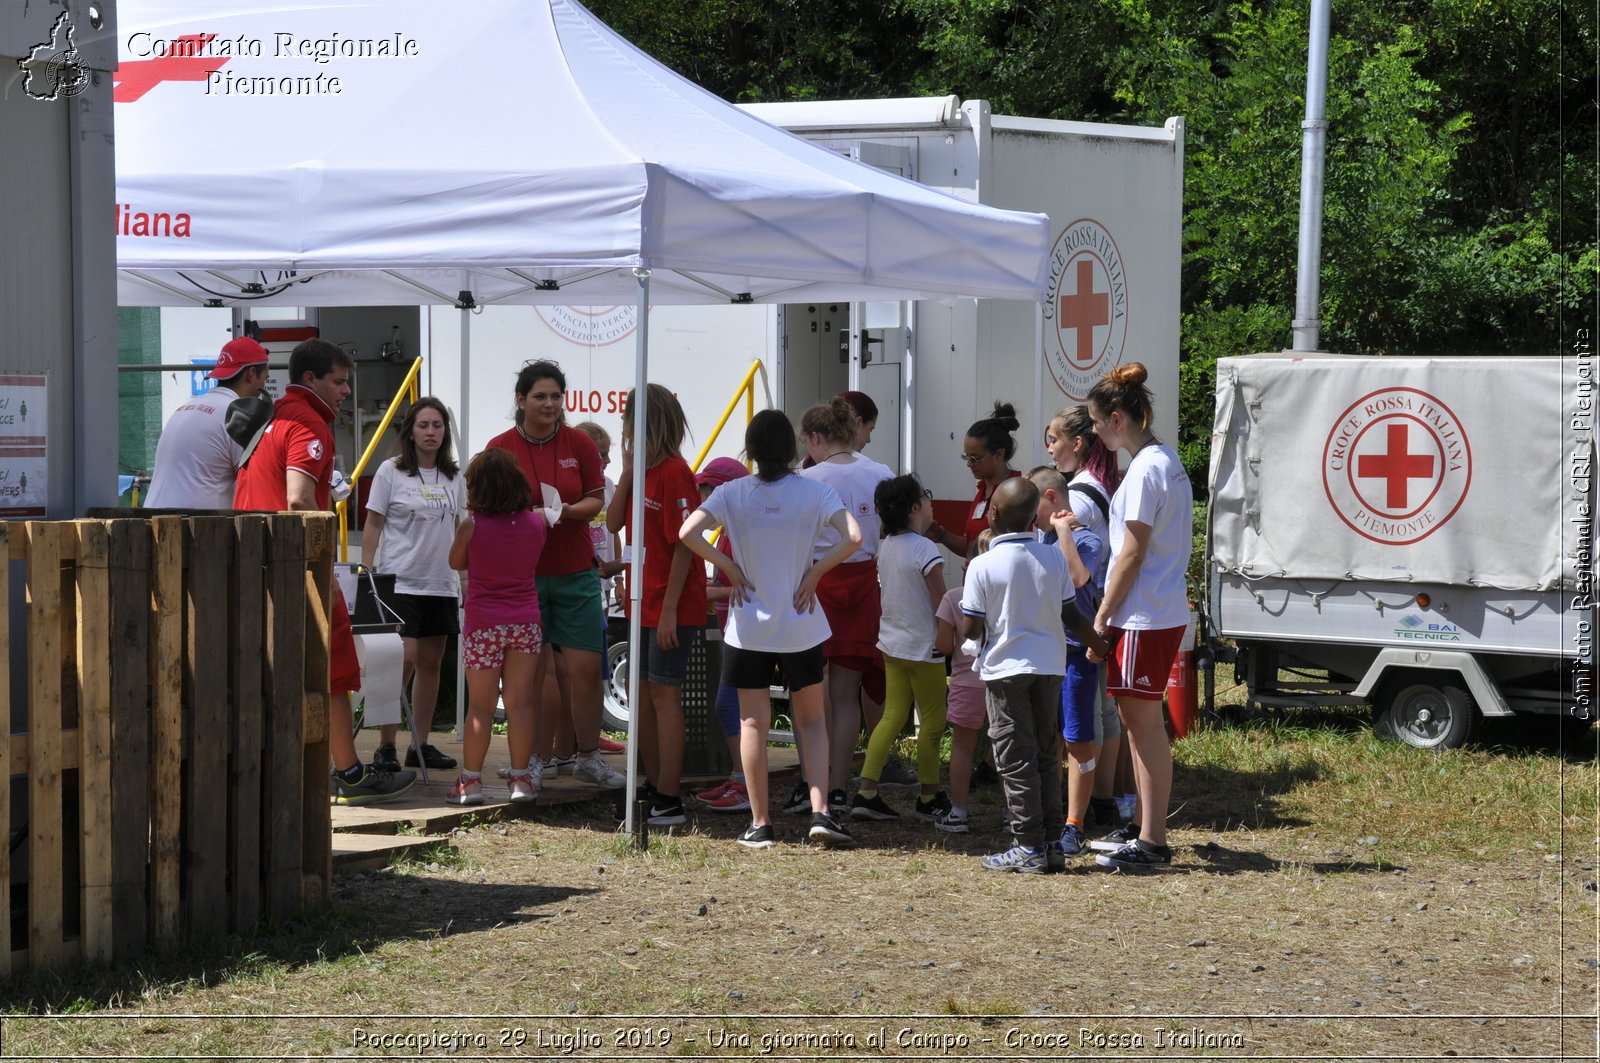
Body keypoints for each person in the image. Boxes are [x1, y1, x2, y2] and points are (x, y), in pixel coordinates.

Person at [235, 339, 415, 804]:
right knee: (334, 672)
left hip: (251, 565)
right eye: (339, 381)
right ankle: (350, 773)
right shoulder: (307, 421)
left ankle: (276, 771)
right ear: (310, 380)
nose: (348, 392)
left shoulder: (269, 416)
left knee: (268, 674)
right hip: (298, 569)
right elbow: (297, 498)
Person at [679, 409, 863, 850]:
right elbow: (854, 538)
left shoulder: (732, 492)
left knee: (752, 723)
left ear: (752, 452)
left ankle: (760, 822)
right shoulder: (815, 491)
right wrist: (816, 573)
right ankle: (821, 813)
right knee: (813, 720)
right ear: (795, 449)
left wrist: (727, 567)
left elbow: (687, 532)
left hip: (748, 627)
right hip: (801, 624)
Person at [487, 361, 625, 790]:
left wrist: (560, 512)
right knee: (529, 675)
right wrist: (524, 517)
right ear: (521, 400)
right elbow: (485, 508)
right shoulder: (500, 447)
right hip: (522, 577)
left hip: (575, 570)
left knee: (585, 670)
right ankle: (530, 761)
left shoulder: (580, 443)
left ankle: (587, 758)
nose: (549, 404)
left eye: (555, 396)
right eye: (540, 396)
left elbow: (595, 501)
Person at [960, 477, 1108, 873]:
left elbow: (971, 629)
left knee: (1014, 757)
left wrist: (974, 625)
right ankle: (1050, 845)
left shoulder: (982, 564)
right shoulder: (1054, 558)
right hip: (1049, 669)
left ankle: (1027, 845)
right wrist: (1099, 641)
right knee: (1045, 755)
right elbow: (1070, 614)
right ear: (1032, 518)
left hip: (1005, 671)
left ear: (993, 514)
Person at [1085, 362, 1194, 872]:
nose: (1094, 434)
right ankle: (1143, 828)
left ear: (1116, 418)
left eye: (1096, 423)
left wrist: (1102, 617)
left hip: (1143, 613)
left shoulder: (1147, 469)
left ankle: (1152, 841)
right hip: (1157, 608)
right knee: (1139, 725)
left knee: (1143, 726)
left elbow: (1131, 553)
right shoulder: (1162, 460)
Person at [607, 384, 708, 827]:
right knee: (642, 699)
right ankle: (652, 784)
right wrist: (628, 472)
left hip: (669, 607)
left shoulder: (674, 472)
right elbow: (612, 521)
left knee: (664, 698)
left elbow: (685, 544)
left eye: (630, 418)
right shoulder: (643, 471)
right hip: (640, 604)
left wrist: (669, 610)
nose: (625, 426)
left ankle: (670, 796)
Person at [797, 398, 895, 816]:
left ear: (817, 437)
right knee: (846, 694)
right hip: (862, 582)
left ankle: (810, 784)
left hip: (814, 584)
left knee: (808, 692)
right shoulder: (881, 473)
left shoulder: (806, 478)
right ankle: (837, 787)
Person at [363, 397, 463, 773]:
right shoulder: (392, 471)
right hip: (399, 581)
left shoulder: (454, 475)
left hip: (439, 582)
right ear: (410, 430)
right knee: (399, 659)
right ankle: (386, 744)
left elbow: (459, 527)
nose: (431, 432)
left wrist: (464, 577)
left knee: (431, 662)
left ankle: (419, 745)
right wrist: (367, 570)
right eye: (424, 425)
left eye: (438, 425)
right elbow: (373, 523)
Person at [445, 448, 547, 805]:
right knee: (520, 705)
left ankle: (470, 783)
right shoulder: (536, 522)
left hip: (484, 623)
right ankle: (520, 780)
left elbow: (455, 561)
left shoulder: (472, 526)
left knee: (480, 708)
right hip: (525, 622)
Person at [849, 474, 949, 823]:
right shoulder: (925, 550)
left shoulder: (886, 545)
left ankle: (866, 790)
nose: (931, 502)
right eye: (926, 496)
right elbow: (942, 603)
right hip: (926, 647)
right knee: (933, 722)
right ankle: (928, 796)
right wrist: (954, 637)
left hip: (892, 645)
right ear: (915, 507)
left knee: (891, 717)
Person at [1046, 404, 1125, 832]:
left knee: (1085, 722)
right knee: (1104, 714)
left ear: (1077, 444)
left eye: (1055, 441)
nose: (1051, 451)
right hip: (1106, 609)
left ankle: (1087, 805)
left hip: (1081, 620)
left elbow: (1073, 570)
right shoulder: (1105, 482)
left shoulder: (1077, 495)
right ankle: (1105, 801)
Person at [1028, 465, 1106, 860]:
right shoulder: (1037, 537)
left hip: (1076, 655)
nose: (1030, 511)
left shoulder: (1087, 540)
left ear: (1053, 499)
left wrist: (1062, 535)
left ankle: (1074, 825)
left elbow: (1078, 580)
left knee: (1077, 739)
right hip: (1045, 651)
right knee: (1047, 738)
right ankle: (1047, 814)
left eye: (1035, 502)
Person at [691, 457, 754, 814]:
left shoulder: (742, 534)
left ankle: (744, 783)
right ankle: (738, 777)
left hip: (745, 633)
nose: (702, 497)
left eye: (707, 489)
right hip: (733, 630)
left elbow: (754, 587)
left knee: (729, 705)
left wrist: (712, 594)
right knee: (732, 706)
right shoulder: (727, 532)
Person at [146, 337, 273, 509]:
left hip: (151, 521)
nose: (263, 387)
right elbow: (254, 486)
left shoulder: (184, 408)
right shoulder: (238, 415)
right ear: (250, 374)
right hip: (193, 528)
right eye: (264, 378)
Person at [931, 529, 993, 834]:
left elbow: (943, 646)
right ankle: (1012, 816)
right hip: (1000, 682)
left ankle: (958, 812)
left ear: (966, 565)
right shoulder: (1004, 595)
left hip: (966, 684)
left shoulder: (953, 597)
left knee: (962, 748)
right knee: (1008, 748)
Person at [926, 401, 1022, 561]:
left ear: (999, 454)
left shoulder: (1018, 493)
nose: (969, 463)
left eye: (975, 458)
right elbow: (973, 547)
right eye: (966, 456)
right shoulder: (982, 491)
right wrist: (942, 535)